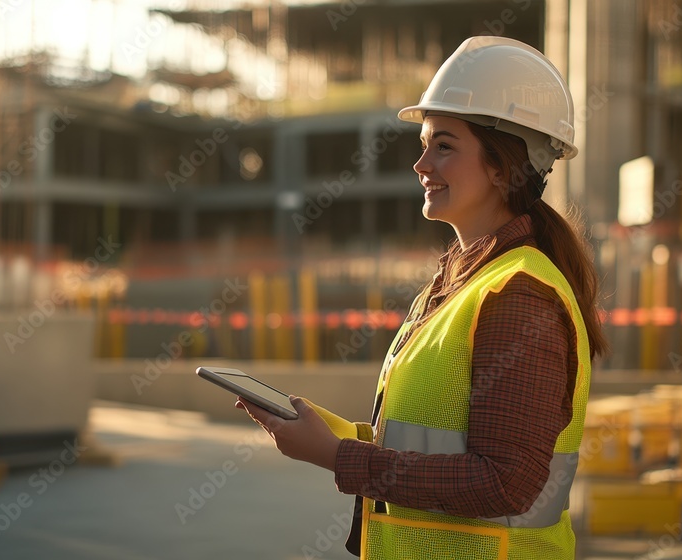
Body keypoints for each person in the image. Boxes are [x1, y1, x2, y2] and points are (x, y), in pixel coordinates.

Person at [236, 36, 608, 559]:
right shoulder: (457, 282)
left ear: (503, 166)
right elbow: (431, 437)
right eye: (425, 143)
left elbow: (505, 483)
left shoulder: (519, 294)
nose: (421, 164)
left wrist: (338, 457)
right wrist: (329, 436)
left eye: (445, 145)